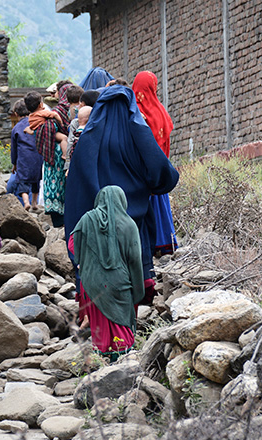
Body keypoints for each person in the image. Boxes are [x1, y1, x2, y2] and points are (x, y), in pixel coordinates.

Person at [64, 85, 179, 320]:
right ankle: (127, 329)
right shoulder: (139, 135)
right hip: (133, 218)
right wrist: (149, 186)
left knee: (101, 270)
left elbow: (76, 185)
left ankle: (103, 331)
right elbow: (162, 171)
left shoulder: (88, 139)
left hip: (99, 220)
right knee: (131, 269)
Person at [69, 186, 145, 360]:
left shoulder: (87, 219)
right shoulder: (128, 224)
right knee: (121, 321)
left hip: (91, 281)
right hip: (119, 282)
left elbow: (72, 243)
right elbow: (134, 260)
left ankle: (102, 358)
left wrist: (85, 260)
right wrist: (138, 289)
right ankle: (122, 358)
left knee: (100, 323)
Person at [132, 70, 178, 257]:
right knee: (159, 201)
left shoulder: (133, 110)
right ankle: (164, 242)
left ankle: (144, 245)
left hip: (139, 169)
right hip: (160, 169)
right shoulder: (160, 111)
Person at [26, 87, 70, 227]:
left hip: (49, 157)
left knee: (54, 184)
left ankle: (58, 220)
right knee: (59, 185)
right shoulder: (53, 114)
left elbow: (32, 130)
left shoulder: (33, 117)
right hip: (57, 158)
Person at [10, 99, 43, 211]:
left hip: (24, 158)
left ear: (16, 114)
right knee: (36, 180)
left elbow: (14, 149)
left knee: (22, 181)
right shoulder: (37, 123)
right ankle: (34, 203)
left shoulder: (16, 128)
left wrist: (14, 163)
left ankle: (26, 202)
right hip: (38, 156)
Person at [64, 105, 92, 173]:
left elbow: (70, 145)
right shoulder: (87, 132)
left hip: (76, 164)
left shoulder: (75, 131)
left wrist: (68, 164)